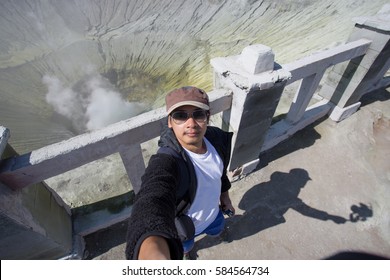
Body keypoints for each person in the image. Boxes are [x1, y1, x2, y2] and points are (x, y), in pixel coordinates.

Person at [125, 86, 235, 260]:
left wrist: (225, 198)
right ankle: (185, 252)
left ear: (207, 117)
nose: (191, 123)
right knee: (185, 247)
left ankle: (216, 235)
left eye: (198, 114)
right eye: (180, 116)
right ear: (170, 122)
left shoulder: (217, 140)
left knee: (218, 230)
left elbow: (220, 175)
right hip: (184, 229)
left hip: (215, 215)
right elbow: (152, 196)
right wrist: (152, 252)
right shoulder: (168, 160)